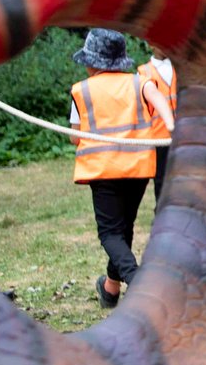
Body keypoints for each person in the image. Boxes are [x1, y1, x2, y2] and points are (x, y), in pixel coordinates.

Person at [68, 29, 174, 308]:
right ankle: (111, 289)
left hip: (103, 170)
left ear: (92, 62)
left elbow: (74, 136)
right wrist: (171, 125)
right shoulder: (140, 82)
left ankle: (137, 280)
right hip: (138, 169)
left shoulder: (82, 90)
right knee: (123, 228)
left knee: (110, 233)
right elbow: (159, 101)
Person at [137, 44, 176, 203]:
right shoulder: (143, 72)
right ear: (151, 44)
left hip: (184, 135)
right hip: (158, 138)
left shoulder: (180, 68)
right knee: (161, 180)